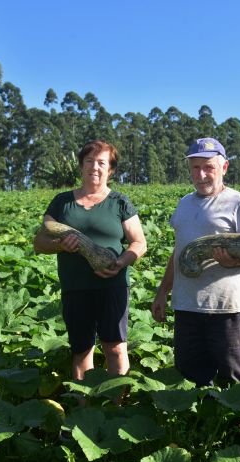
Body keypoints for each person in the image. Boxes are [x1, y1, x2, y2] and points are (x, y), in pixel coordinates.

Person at [151, 137, 240, 387]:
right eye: (195, 167)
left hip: (225, 309)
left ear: (224, 167)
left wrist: (233, 262)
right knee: (190, 375)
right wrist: (162, 292)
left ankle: (239, 426)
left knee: (234, 379)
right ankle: (197, 425)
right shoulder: (184, 203)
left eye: (208, 167)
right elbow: (178, 251)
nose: (201, 174)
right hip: (186, 305)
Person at [33, 140, 147, 382]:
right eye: (89, 161)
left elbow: (139, 243)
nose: (95, 167)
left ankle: (114, 406)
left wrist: (120, 262)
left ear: (111, 170)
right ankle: (85, 408)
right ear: (81, 166)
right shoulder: (62, 202)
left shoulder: (120, 202)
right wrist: (59, 245)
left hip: (112, 286)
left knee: (115, 348)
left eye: (101, 163)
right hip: (76, 288)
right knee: (82, 350)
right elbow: (39, 242)